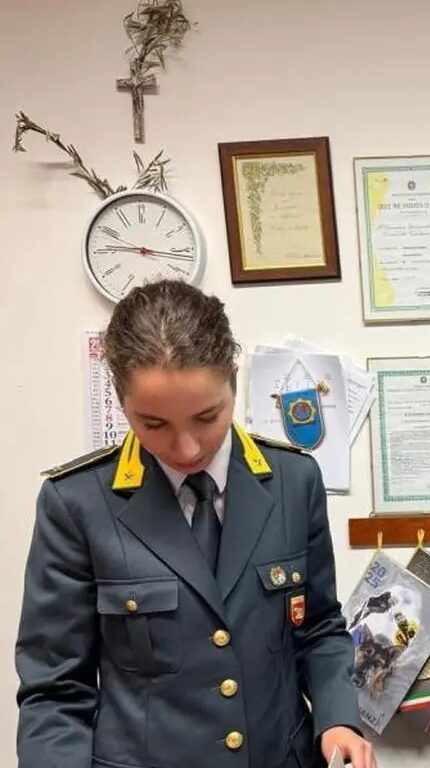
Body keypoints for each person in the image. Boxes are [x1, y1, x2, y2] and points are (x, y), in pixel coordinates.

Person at [15, 280, 376, 768]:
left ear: (233, 379)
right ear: (121, 400)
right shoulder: (77, 504)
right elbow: (56, 689)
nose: (186, 448)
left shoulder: (293, 481)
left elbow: (318, 626)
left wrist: (337, 719)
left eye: (207, 417)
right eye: (154, 424)